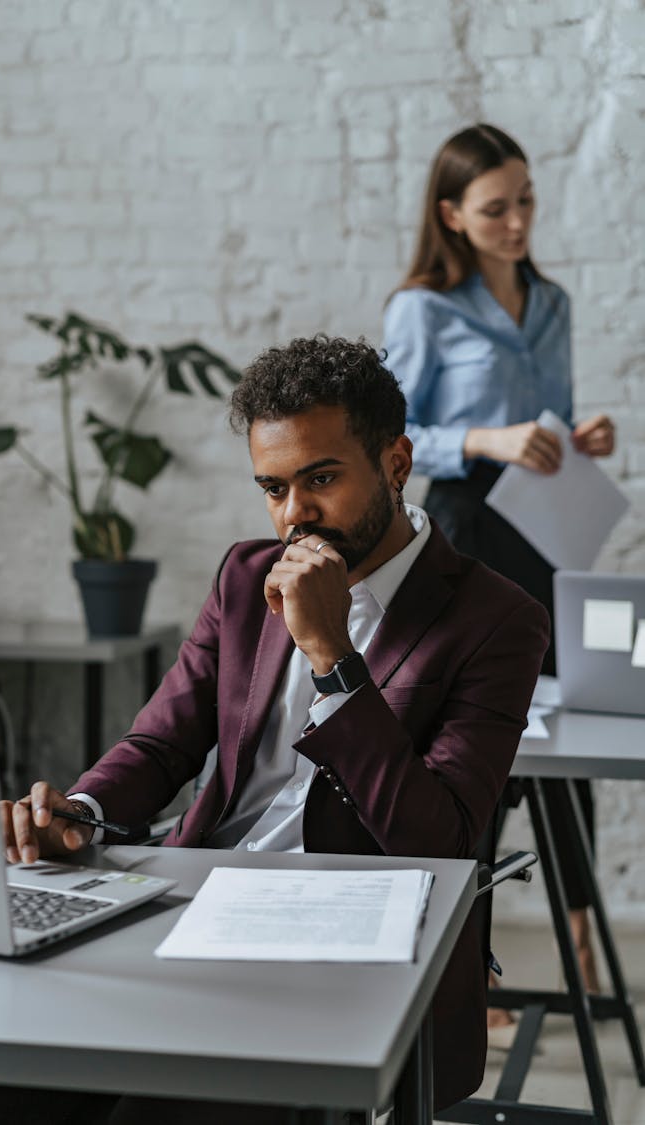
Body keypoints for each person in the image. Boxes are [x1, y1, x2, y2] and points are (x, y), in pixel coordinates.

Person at [0, 335, 549, 1124]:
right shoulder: (246, 577)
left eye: (322, 478)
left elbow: (439, 841)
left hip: (347, 953)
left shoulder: (495, 618)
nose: (294, 514)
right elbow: (161, 742)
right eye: (273, 487)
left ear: (397, 461)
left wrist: (333, 655)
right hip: (192, 907)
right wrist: (81, 811)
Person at [381, 123, 616, 1034]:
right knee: (476, 742)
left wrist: (574, 435)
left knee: (568, 734)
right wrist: (485, 438)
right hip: (469, 531)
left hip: (546, 522)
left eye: (525, 201)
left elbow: (544, 417)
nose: (517, 221)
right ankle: (462, 974)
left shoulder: (551, 301)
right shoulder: (423, 308)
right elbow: (393, 440)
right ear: (451, 214)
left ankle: (583, 949)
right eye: (495, 207)